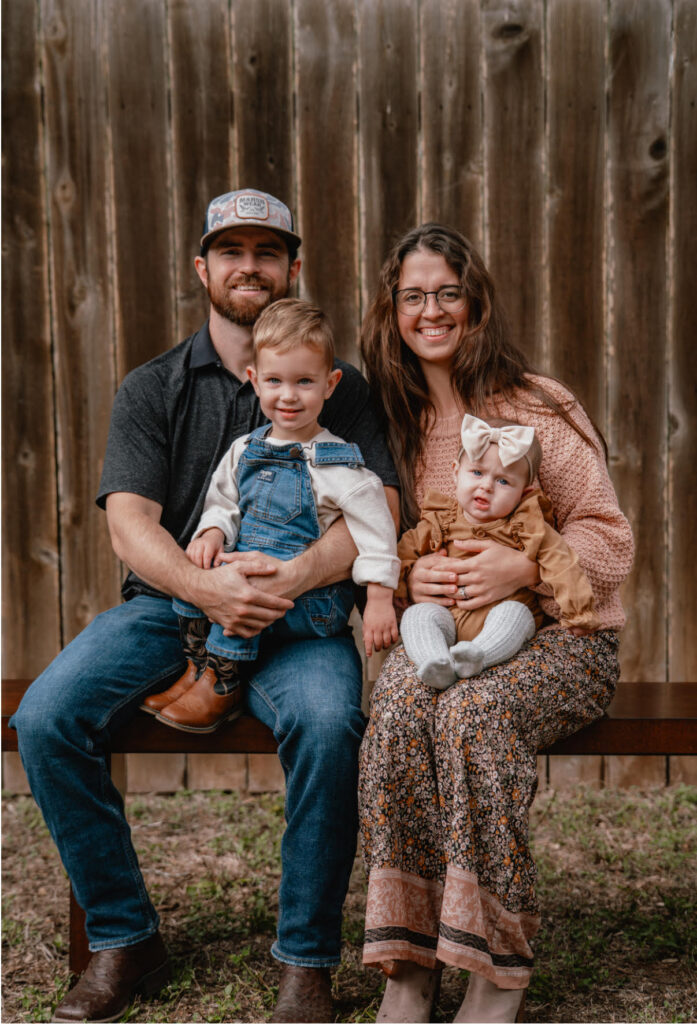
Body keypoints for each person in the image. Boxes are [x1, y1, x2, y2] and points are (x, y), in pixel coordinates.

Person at [10, 188, 400, 1024]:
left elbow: (381, 508)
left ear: (292, 266)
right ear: (203, 267)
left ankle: (305, 962)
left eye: (267, 252)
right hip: (171, 612)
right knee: (45, 718)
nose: (248, 266)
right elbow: (130, 523)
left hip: (302, 623)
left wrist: (288, 580)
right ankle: (125, 938)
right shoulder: (154, 387)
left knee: (328, 724)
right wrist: (208, 587)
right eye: (231, 251)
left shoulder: (340, 388)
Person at [357, 223, 634, 1023]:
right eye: (413, 296)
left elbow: (610, 537)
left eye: (448, 293)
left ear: (475, 304)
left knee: (472, 714)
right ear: (392, 311)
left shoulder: (538, 406)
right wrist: (410, 576)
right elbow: (378, 541)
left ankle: (495, 966)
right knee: (398, 708)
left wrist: (524, 568)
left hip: (561, 642)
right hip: (444, 636)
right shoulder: (393, 421)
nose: (431, 311)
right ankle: (409, 961)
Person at [145, 298, 399, 732]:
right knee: (198, 576)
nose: (288, 395)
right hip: (255, 583)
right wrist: (212, 532)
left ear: (330, 384)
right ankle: (200, 667)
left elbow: (378, 532)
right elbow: (223, 502)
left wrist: (378, 600)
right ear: (255, 381)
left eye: (304, 381)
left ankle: (224, 682)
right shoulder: (245, 449)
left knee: (241, 584)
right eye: (275, 380)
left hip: (307, 606)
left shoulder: (340, 465)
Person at [399, 413, 599, 690]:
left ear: (523, 493)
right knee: (418, 616)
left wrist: (579, 612)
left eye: (503, 481)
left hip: (500, 619)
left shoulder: (527, 526)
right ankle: (436, 663)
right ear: (456, 472)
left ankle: (477, 657)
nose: (486, 486)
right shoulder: (439, 520)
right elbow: (403, 554)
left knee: (514, 614)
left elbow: (562, 563)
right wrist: (400, 588)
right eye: (477, 472)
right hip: (448, 619)